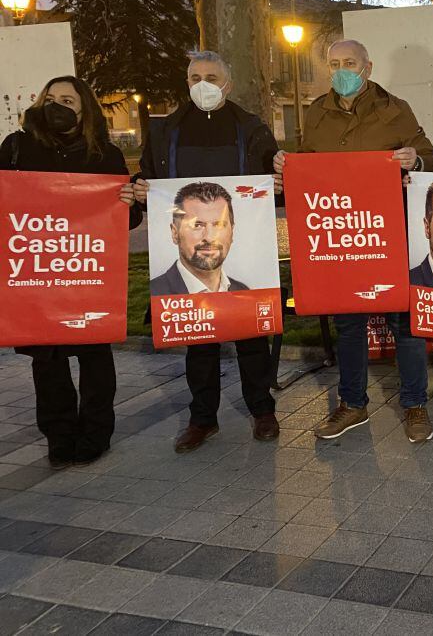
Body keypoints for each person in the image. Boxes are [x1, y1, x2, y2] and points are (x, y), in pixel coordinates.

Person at [273, 39, 433, 444]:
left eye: (350, 62)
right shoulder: (317, 112)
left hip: (388, 233)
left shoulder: (393, 108)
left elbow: (430, 158)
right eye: (334, 63)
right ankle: (352, 404)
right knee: (348, 323)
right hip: (340, 236)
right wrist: (285, 168)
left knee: (406, 323)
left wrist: (413, 161)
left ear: (368, 66)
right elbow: (306, 166)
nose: (341, 70)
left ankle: (415, 404)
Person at [133, 50, 280, 453]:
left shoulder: (250, 127)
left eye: (212, 77)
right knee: (199, 341)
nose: (203, 84)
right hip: (187, 251)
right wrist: (142, 188)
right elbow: (148, 176)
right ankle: (202, 419)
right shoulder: (166, 130)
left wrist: (279, 179)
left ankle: (262, 410)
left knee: (252, 336)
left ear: (227, 84)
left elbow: (272, 172)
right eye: (195, 76)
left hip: (242, 243)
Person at [0, 76, 139, 467]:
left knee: (95, 357)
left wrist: (128, 201)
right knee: (47, 362)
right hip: (39, 271)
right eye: (50, 98)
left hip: (87, 272)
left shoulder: (105, 155)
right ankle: (59, 437)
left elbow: (125, 220)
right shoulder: (16, 147)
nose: (56, 105)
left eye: (67, 99)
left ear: (84, 109)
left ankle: (95, 433)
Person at [150, 182, 247, 296]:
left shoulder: (243, 292)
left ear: (232, 232)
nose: (209, 238)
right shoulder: (154, 294)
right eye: (197, 225)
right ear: (175, 233)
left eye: (219, 225)